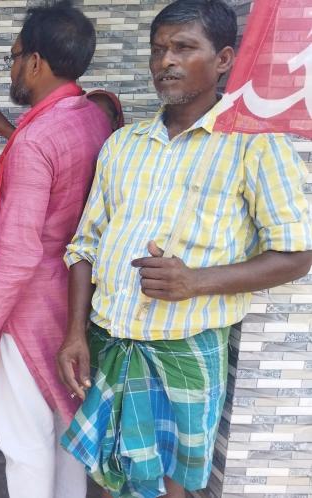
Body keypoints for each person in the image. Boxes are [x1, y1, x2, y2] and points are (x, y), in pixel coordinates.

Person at [56, 1, 312, 497]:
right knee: (107, 473)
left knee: (172, 483)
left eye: (183, 47)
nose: (165, 61)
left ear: (223, 59)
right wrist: (74, 334)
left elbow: (298, 253)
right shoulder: (123, 144)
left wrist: (195, 281)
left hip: (185, 350)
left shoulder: (255, 145)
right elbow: (84, 245)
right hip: (109, 341)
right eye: (158, 50)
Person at [0, 3, 115, 497]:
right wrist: (9, 131)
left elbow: (20, 253)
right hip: (74, 303)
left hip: (29, 306)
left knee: (25, 441)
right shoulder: (92, 119)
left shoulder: (38, 136)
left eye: (15, 56)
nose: (14, 68)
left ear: (37, 62)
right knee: (66, 427)